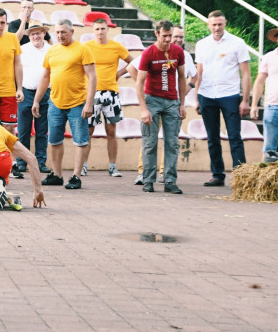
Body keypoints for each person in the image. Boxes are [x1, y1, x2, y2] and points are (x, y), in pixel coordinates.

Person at [32, 19, 96, 190]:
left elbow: (92, 77)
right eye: (58, 32)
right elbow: (45, 77)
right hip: (55, 102)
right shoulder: (52, 51)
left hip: (77, 103)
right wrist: (37, 100)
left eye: (64, 32)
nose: (60, 35)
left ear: (72, 32)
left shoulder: (83, 50)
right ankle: (57, 174)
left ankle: (76, 176)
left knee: (80, 141)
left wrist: (89, 104)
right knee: (54, 140)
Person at [195, 10, 251, 187]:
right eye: (214, 24)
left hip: (230, 94)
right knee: (212, 138)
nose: (217, 27)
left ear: (225, 22)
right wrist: (197, 97)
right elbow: (199, 72)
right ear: (208, 25)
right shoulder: (202, 44)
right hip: (207, 94)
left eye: (220, 24)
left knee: (235, 136)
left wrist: (245, 100)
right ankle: (217, 174)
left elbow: (246, 73)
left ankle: (241, 176)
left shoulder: (237, 43)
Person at [135, 19, 186, 194]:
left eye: (170, 36)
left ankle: (170, 180)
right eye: (164, 36)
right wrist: (143, 109)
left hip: (172, 101)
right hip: (152, 100)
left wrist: (182, 104)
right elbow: (139, 82)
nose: (167, 39)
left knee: (172, 143)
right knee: (150, 142)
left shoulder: (178, 51)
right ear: (156, 34)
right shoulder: (149, 53)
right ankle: (148, 179)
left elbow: (182, 77)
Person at [83, 18, 135, 177]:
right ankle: (83, 165)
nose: (100, 32)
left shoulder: (116, 46)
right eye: (97, 29)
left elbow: (133, 62)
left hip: (111, 93)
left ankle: (112, 166)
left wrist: (119, 73)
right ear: (93, 30)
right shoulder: (87, 47)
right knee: (88, 130)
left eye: (102, 29)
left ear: (107, 29)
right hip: (92, 92)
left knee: (111, 130)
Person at [14, 22, 52, 177]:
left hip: (45, 93)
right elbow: (16, 70)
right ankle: (22, 162)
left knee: (42, 130)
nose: (36, 36)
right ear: (29, 36)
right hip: (26, 92)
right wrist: (19, 89)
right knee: (23, 130)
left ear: (44, 33)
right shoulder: (22, 50)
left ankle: (41, 162)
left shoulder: (51, 50)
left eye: (38, 33)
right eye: (32, 34)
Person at [251, 27, 278, 163]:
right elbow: (259, 81)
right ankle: (265, 180)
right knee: (269, 147)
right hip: (273, 105)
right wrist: (254, 105)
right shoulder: (268, 57)